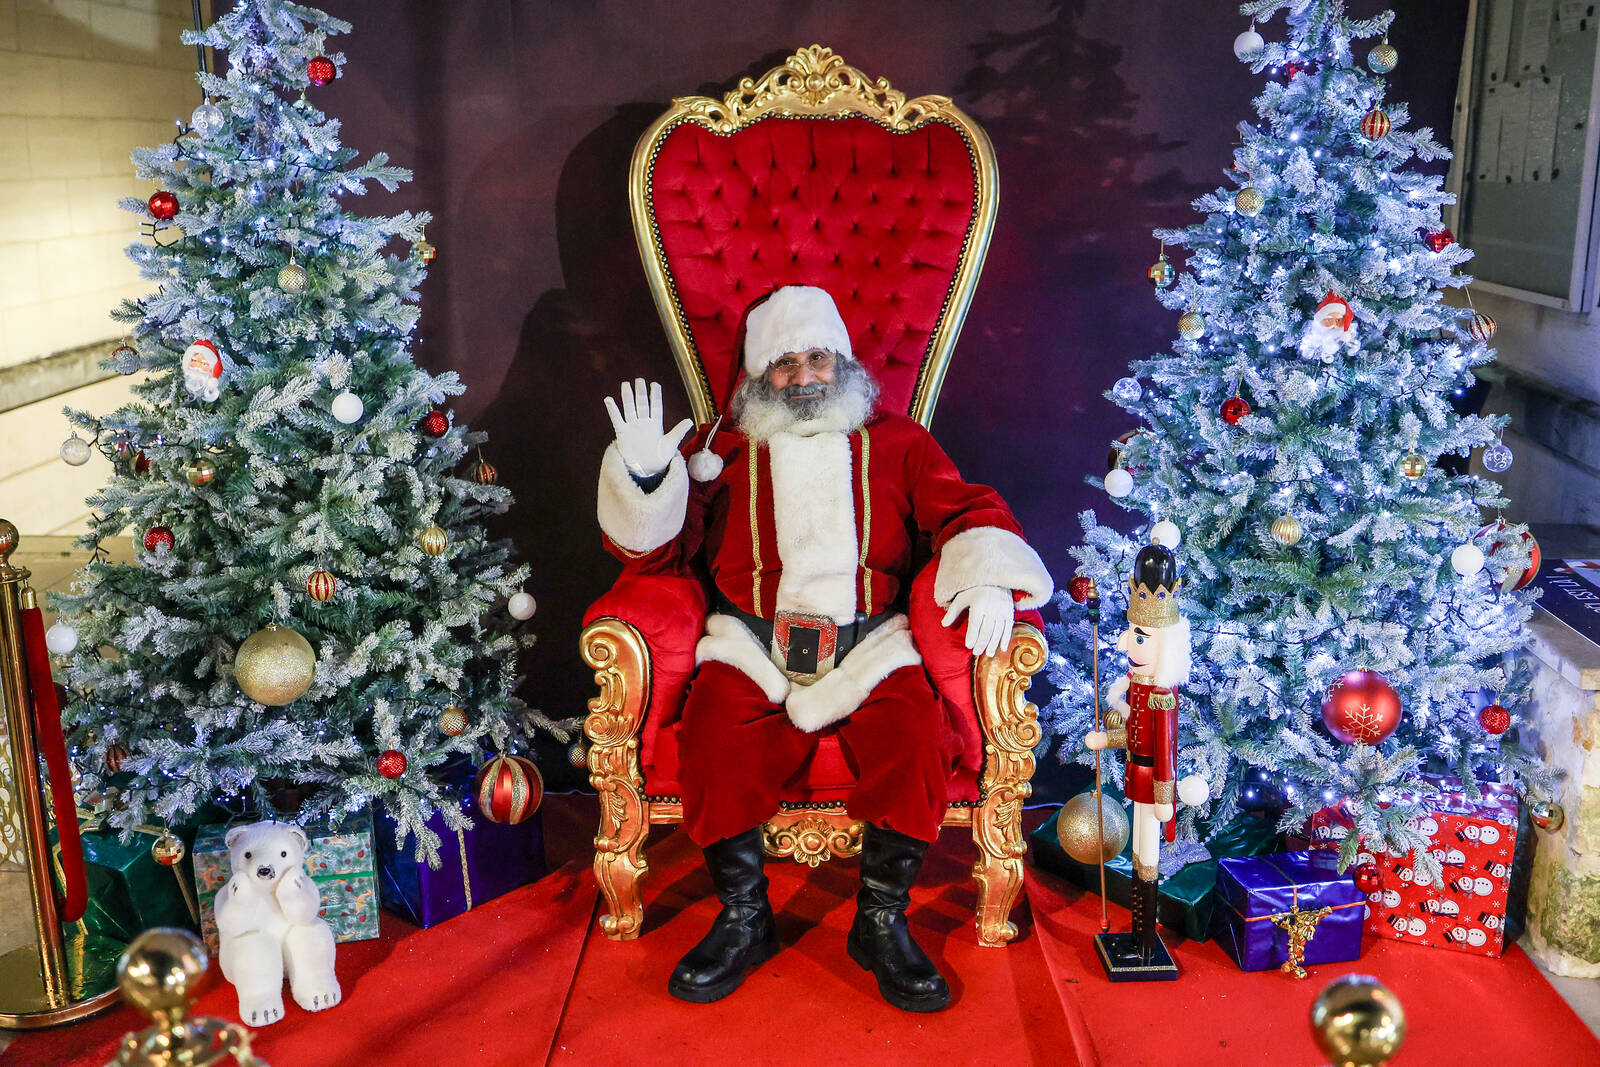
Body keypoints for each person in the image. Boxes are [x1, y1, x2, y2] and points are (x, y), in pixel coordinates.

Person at [596, 285, 1052, 1012]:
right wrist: (650, 479)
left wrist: (988, 576)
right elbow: (659, 556)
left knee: (916, 735)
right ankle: (744, 919)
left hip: (871, 646)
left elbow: (966, 509)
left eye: (817, 358)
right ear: (758, 374)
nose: (804, 376)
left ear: (842, 362)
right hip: (751, 643)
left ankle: (880, 920)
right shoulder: (716, 452)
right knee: (713, 735)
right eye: (785, 363)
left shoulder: (899, 442)